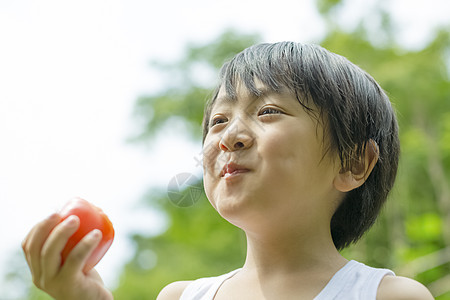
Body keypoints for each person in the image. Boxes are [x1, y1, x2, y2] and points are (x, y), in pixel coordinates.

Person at [22, 42, 434, 300]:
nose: (230, 136)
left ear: (353, 163)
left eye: (268, 111)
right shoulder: (182, 296)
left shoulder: (388, 296)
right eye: (218, 120)